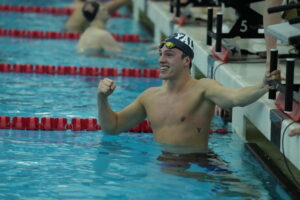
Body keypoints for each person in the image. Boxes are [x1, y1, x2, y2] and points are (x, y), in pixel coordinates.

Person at [97, 32, 281, 169]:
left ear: (186, 60)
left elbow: (235, 98)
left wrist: (262, 85)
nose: (161, 59)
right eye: (160, 54)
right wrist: (102, 98)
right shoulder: (149, 96)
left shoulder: (203, 88)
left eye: (169, 55)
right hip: (165, 162)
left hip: (200, 164)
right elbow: (112, 127)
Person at [64, 0, 131, 33]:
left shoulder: (87, 5)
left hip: (71, 34)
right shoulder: (90, 6)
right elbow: (104, 9)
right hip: (74, 33)